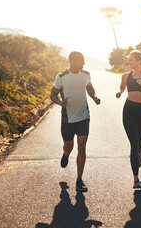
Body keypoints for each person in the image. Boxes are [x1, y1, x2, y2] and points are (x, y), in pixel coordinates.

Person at [51, 51, 100, 192]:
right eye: (81, 60)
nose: (84, 63)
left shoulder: (86, 75)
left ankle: (79, 180)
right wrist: (60, 103)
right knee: (69, 145)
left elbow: (90, 88)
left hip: (83, 116)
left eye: (84, 60)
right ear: (72, 61)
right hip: (68, 117)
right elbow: (52, 94)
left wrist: (95, 97)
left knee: (82, 147)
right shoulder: (61, 77)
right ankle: (66, 154)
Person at [116, 49, 141, 189]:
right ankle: (136, 179)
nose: (129, 61)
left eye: (131, 59)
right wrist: (120, 92)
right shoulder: (125, 76)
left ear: (139, 61)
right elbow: (122, 88)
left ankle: (139, 152)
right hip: (129, 110)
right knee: (134, 144)